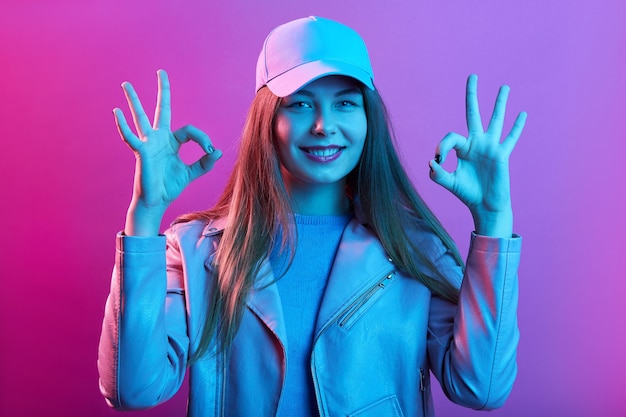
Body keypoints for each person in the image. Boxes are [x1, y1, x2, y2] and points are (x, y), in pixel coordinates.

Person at [98, 16, 526, 417]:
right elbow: (133, 388)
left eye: (345, 103)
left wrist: (493, 221)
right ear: (268, 121)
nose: (323, 125)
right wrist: (145, 213)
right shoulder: (197, 252)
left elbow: (480, 387)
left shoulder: (413, 249)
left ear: (368, 117)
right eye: (300, 104)